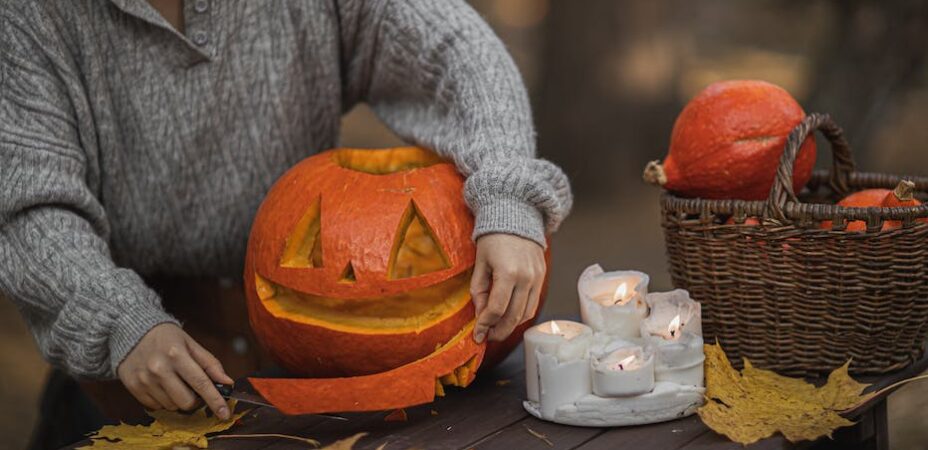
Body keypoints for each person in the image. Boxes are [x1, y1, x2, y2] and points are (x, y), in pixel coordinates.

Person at [0, 0, 571, 437]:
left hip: (313, 371)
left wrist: (507, 190)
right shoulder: (29, 19)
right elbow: (29, 204)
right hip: (130, 372)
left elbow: (452, 44)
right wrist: (117, 320)